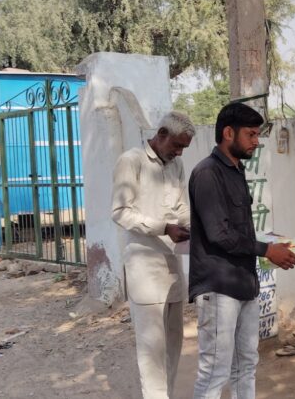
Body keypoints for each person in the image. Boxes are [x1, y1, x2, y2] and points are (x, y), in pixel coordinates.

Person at [188, 102, 295, 399]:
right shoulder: (207, 173)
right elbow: (219, 233)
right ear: (228, 133)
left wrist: (270, 246)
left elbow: (238, 230)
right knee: (214, 372)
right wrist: (266, 250)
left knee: (246, 365)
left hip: (244, 283)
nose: (256, 141)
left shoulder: (236, 170)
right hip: (218, 286)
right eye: (251, 134)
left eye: (257, 134)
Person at [111, 111, 195, 399]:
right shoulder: (131, 161)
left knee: (174, 344)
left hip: (173, 264)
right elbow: (121, 212)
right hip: (145, 267)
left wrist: (196, 228)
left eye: (184, 148)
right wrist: (163, 228)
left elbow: (181, 208)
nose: (179, 152)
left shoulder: (176, 164)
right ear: (161, 134)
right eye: (177, 145)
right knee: (151, 351)